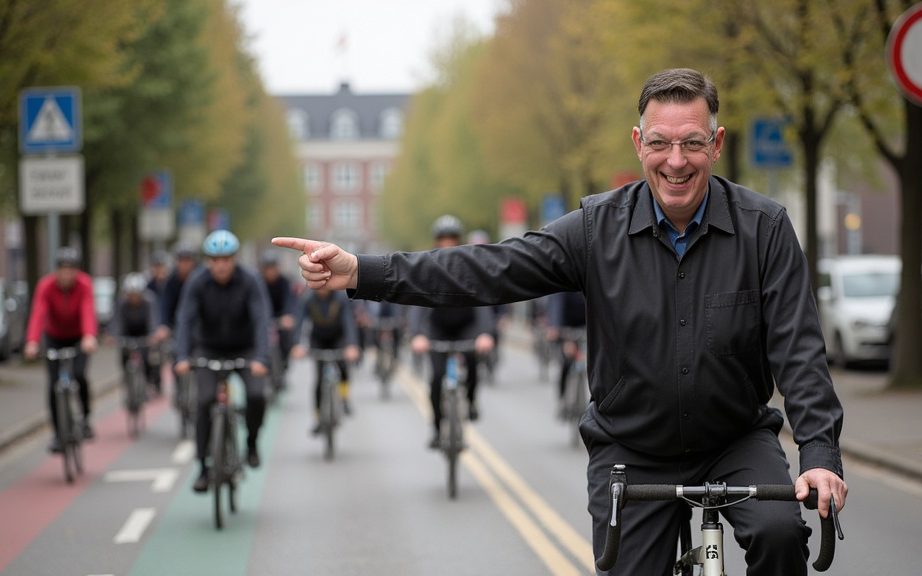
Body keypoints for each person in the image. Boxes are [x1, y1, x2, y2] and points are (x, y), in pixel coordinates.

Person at [274, 68, 847, 576]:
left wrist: (819, 456)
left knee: (779, 538)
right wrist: (360, 272)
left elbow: (798, 347)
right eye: (660, 143)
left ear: (717, 144)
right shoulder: (597, 228)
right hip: (633, 446)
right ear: (638, 143)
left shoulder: (764, 228)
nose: (676, 160)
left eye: (693, 143)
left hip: (735, 439)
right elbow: (488, 270)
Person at [174, 230, 271, 493]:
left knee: (257, 395)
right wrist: (182, 356)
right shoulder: (197, 282)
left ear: (235, 259)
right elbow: (185, 320)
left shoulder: (250, 281)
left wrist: (261, 357)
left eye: (226, 259)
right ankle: (204, 468)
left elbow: (262, 319)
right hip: (209, 349)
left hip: (245, 348)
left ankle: (251, 443)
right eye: (215, 260)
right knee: (204, 401)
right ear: (208, 261)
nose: (221, 265)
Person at [408, 215, 495, 449]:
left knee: (474, 363)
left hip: (467, 326)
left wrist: (485, 333)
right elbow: (418, 305)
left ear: (459, 240)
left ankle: (471, 400)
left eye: (452, 239)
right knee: (436, 379)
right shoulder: (427, 269)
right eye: (443, 239)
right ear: (437, 242)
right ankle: (437, 429)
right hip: (437, 330)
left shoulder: (472, 267)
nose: (447, 244)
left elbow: (483, 304)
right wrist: (418, 334)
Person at [24, 247, 98, 452]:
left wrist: (89, 336)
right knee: (53, 386)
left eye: (71, 270)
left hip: (79, 338)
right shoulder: (46, 286)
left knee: (80, 375)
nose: (67, 274)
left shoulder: (84, 284)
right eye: (62, 270)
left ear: (77, 271)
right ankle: (58, 434)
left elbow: (87, 309)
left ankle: (85, 418)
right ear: (56, 271)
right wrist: (32, 341)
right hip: (54, 337)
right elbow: (38, 312)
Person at [292, 286, 361, 433]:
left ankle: (344, 398)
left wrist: (352, 345)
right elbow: (300, 322)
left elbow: (348, 321)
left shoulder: (340, 298)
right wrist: (297, 345)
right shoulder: (308, 298)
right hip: (318, 340)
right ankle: (318, 418)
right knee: (318, 380)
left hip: (338, 338)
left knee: (343, 368)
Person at [109, 273, 159, 394]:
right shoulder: (121, 303)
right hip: (127, 335)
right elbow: (116, 321)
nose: (134, 298)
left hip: (144, 335)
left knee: (148, 358)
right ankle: (127, 382)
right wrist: (113, 336)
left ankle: (148, 382)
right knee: (124, 357)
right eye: (131, 295)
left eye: (136, 294)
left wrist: (153, 335)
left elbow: (153, 320)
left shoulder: (149, 302)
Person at [546, 291, 587, 413]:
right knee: (566, 363)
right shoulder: (566, 282)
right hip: (566, 326)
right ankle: (562, 397)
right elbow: (557, 304)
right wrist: (555, 327)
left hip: (587, 325)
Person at [259, 250, 296, 381]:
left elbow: (290, 300)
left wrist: (288, 316)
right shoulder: (258, 283)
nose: (270, 271)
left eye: (273, 267)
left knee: (286, 335)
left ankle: (284, 363)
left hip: (281, 318)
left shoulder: (284, 282)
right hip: (263, 317)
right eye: (267, 268)